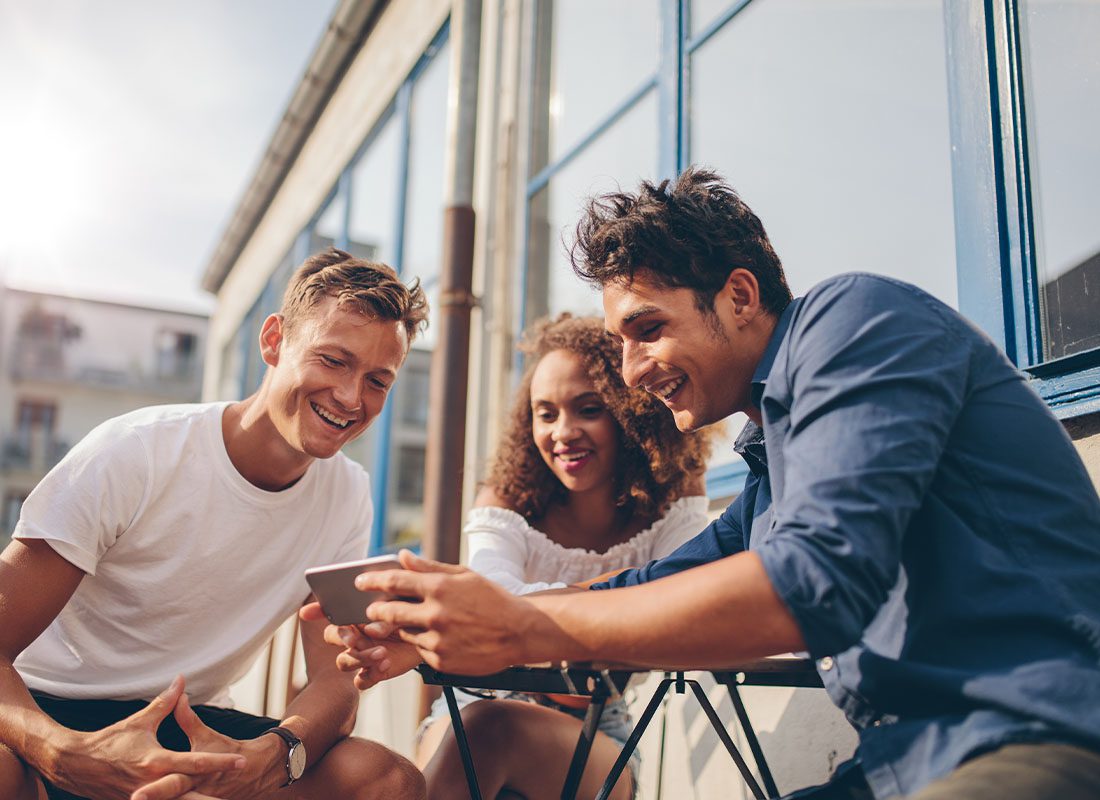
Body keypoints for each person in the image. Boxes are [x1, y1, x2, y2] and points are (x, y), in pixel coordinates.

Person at [342, 169, 1100, 799]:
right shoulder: (771, 472)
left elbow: (814, 582)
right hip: (897, 766)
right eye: (620, 343)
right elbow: (636, 589)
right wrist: (442, 628)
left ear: (740, 296)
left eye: (648, 329)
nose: (634, 371)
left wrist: (522, 629)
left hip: (1037, 733)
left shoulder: (857, 318)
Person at [0, 248, 428, 800]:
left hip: (191, 724)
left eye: (377, 381)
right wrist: (58, 752)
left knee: (386, 780)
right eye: (333, 360)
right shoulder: (136, 452)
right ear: (274, 340)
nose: (351, 397)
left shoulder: (349, 494)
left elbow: (334, 675)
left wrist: (277, 755)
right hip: (45, 710)